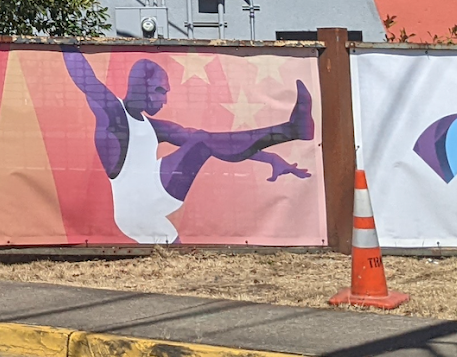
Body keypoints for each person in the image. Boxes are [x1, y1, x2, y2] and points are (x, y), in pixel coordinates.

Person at [62, 49, 313, 243]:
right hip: (139, 201)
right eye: (160, 90)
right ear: (141, 87)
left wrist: (270, 159)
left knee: (202, 139)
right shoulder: (113, 113)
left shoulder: (154, 127)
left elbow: (218, 143)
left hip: (148, 206)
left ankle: (291, 130)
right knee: (200, 141)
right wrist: (64, 41)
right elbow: (85, 78)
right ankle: (291, 130)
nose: (165, 99)